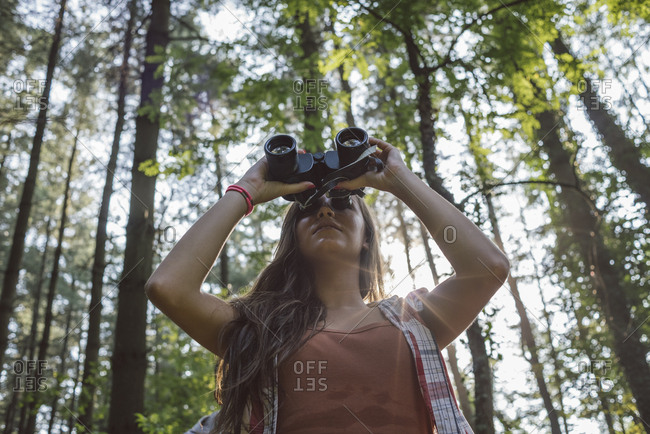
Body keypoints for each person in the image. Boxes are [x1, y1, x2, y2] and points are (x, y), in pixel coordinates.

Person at [145, 137, 510, 433]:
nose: (324, 210)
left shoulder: (414, 320)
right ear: (293, 238)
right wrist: (247, 191)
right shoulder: (257, 328)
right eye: (308, 208)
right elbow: (168, 287)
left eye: (341, 203)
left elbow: (488, 268)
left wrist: (400, 181)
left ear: (367, 237)